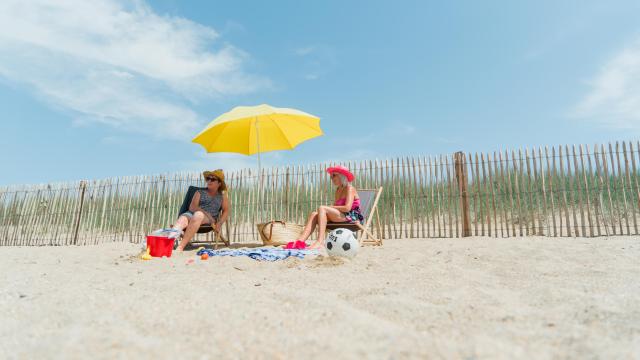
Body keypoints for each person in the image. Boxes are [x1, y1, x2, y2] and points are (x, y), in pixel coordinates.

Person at [293, 165, 364, 249]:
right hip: (341, 216)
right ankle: (299, 241)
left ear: (341, 175)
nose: (331, 178)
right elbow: (337, 208)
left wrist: (330, 207)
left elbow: (347, 208)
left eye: (334, 175)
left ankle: (320, 241)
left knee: (322, 208)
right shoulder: (338, 190)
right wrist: (331, 207)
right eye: (331, 177)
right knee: (314, 214)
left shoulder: (350, 188)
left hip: (351, 216)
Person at [172, 169, 230, 252]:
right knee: (182, 219)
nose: (209, 181)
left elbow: (226, 211)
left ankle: (180, 247)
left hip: (207, 220)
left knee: (198, 215)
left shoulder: (222, 196)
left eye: (213, 179)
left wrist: (220, 223)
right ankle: (167, 244)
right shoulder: (199, 192)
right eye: (208, 179)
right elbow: (192, 207)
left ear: (219, 183)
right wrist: (207, 214)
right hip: (193, 214)